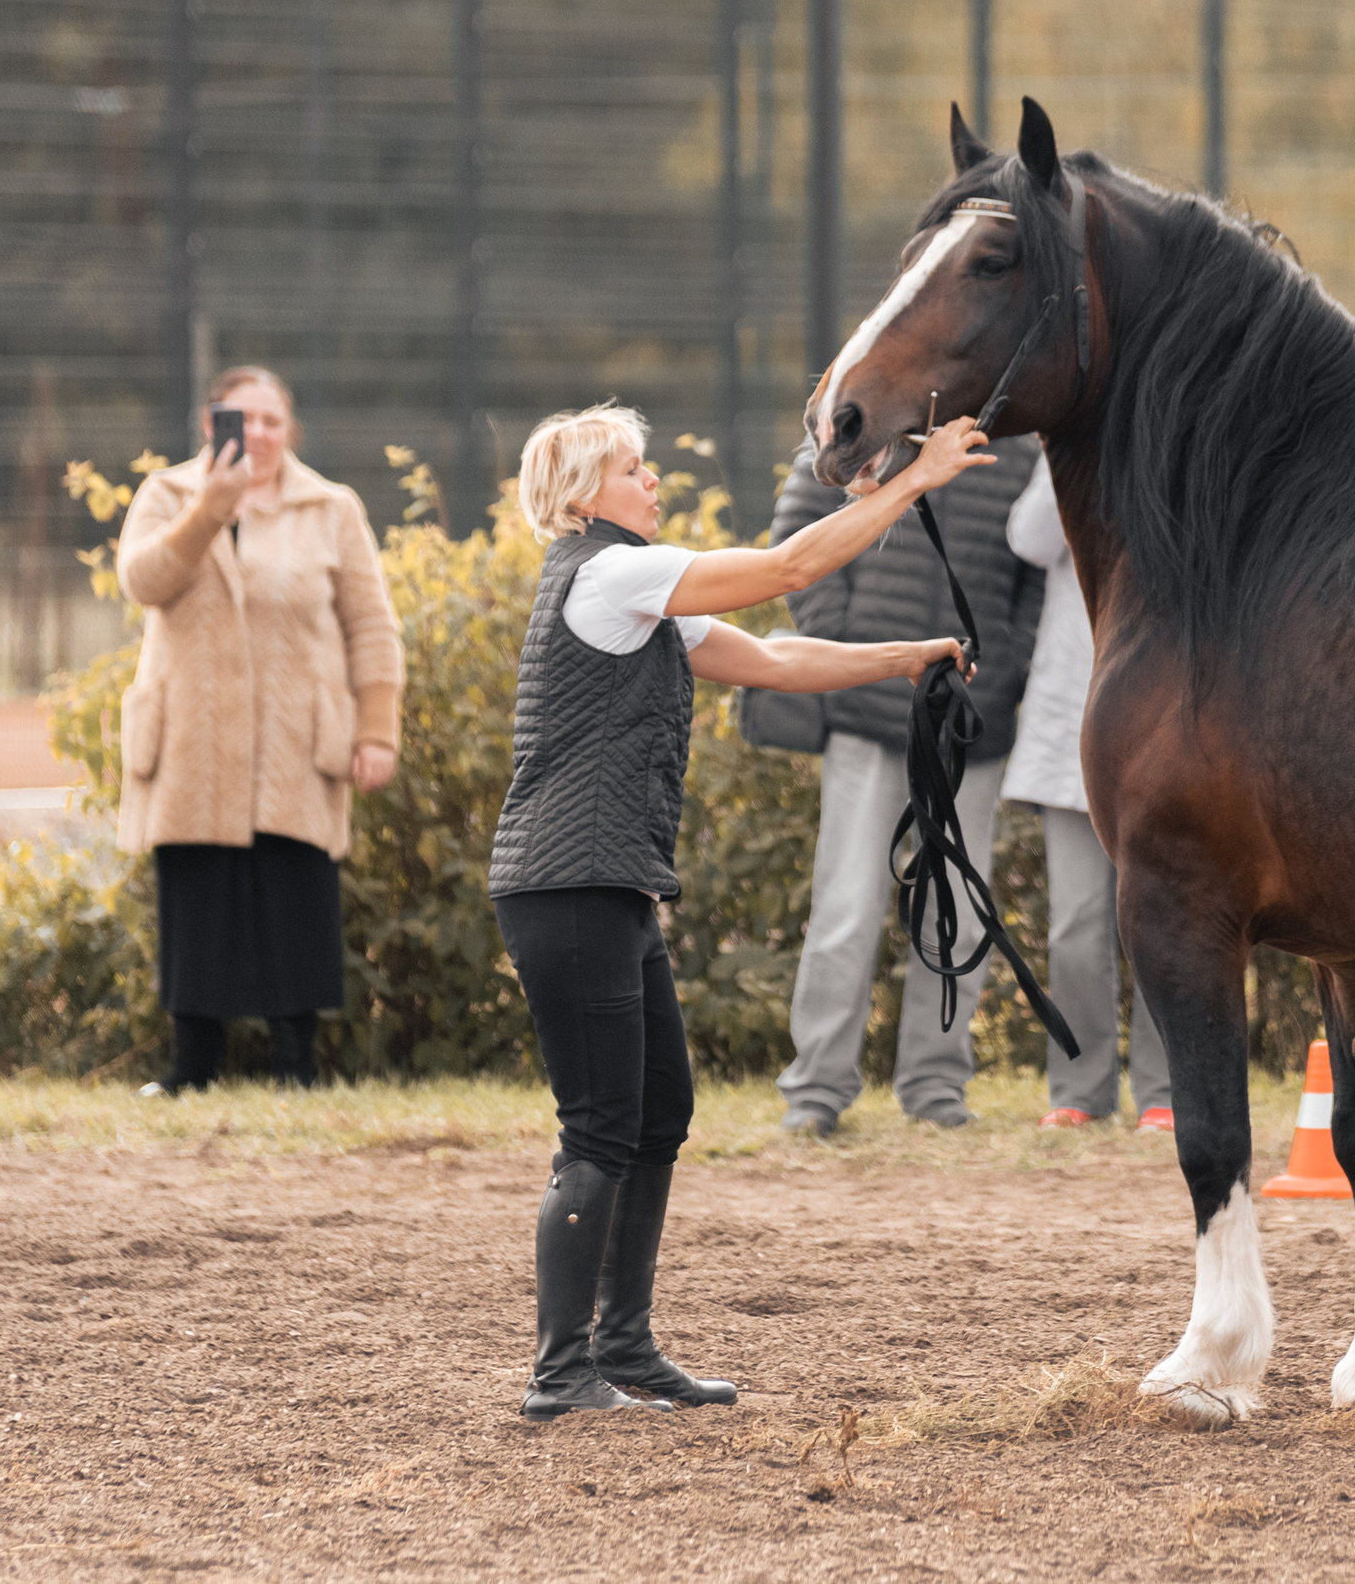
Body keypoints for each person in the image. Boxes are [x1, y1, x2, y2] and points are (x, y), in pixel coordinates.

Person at [490, 401, 988, 1420]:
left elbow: (776, 657)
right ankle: (559, 1371)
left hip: (603, 886)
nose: (652, 482)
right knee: (597, 1129)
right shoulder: (611, 571)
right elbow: (789, 568)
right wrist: (916, 478)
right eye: (635, 470)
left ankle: (622, 1347)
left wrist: (906, 657)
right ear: (586, 494)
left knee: (657, 1112)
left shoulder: (636, 596)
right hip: (568, 886)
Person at [119, 366, 402, 1096]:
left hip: (294, 737)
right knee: (197, 894)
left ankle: (296, 1065)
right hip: (192, 735)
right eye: (244, 418)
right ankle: (191, 1066)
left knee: (295, 891)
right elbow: (143, 582)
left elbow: (370, 624)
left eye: (274, 419)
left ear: (291, 428)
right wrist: (209, 509)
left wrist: (377, 729)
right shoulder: (168, 495)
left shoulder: (331, 506)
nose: (262, 433)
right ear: (212, 426)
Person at [769, 432, 1044, 1137]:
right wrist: (847, 650)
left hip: (967, 726)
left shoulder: (1016, 450)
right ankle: (817, 1089)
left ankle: (934, 1084)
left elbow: (1038, 576)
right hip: (865, 716)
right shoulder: (862, 423)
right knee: (847, 907)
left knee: (958, 910)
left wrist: (1002, 666)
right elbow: (797, 533)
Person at [1001, 450, 1173, 1132]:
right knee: (1075, 926)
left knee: (1164, 921)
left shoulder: (1174, 447)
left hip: (1163, 726)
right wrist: (1063, 457)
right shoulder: (1070, 458)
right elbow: (1029, 537)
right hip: (1072, 728)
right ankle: (1080, 1087)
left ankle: (1165, 1091)